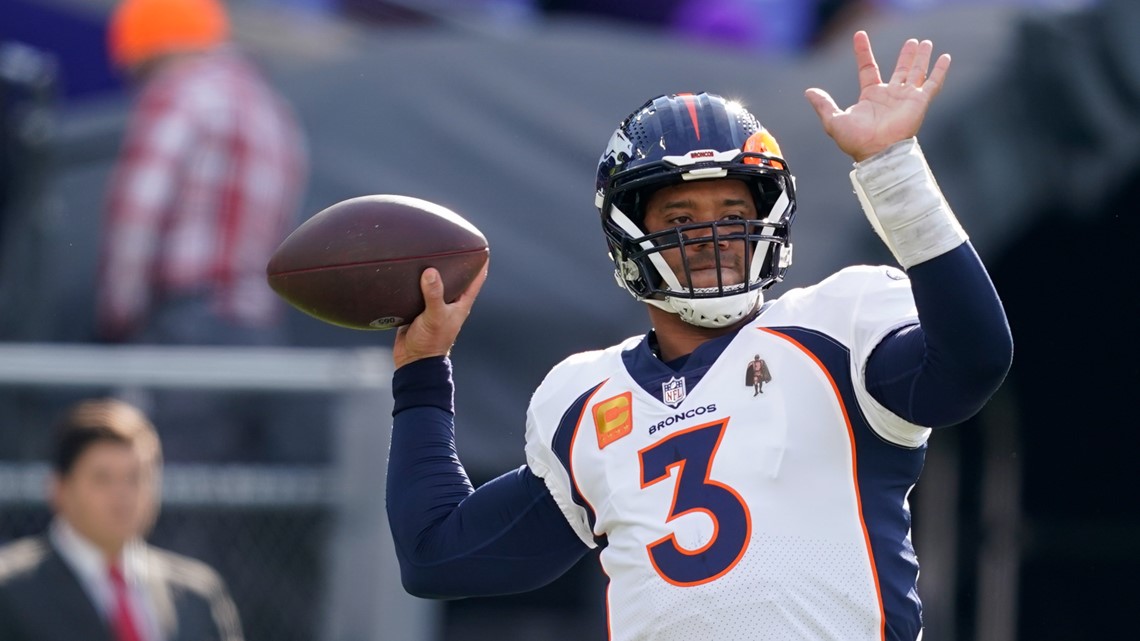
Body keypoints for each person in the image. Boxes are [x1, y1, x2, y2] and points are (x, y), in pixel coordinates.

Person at [384, 31, 1012, 640]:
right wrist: (422, 369)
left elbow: (973, 362)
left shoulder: (835, 327)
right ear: (631, 236)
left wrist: (891, 169)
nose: (712, 238)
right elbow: (439, 557)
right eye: (681, 219)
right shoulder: (582, 398)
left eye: (733, 215)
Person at [96, 0, 309, 461]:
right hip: (260, 335)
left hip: (186, 329)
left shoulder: (176, 94)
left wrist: (117, 317)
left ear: (147, 54)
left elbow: (137, 215)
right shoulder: (273, 112)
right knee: (230, 498)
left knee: (170, 488)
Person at [0, 398, 244, 641]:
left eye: (136, 477)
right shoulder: (10, 589)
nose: (123, 495)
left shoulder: (197, 594)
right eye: (102, 479)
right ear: (59, 490)